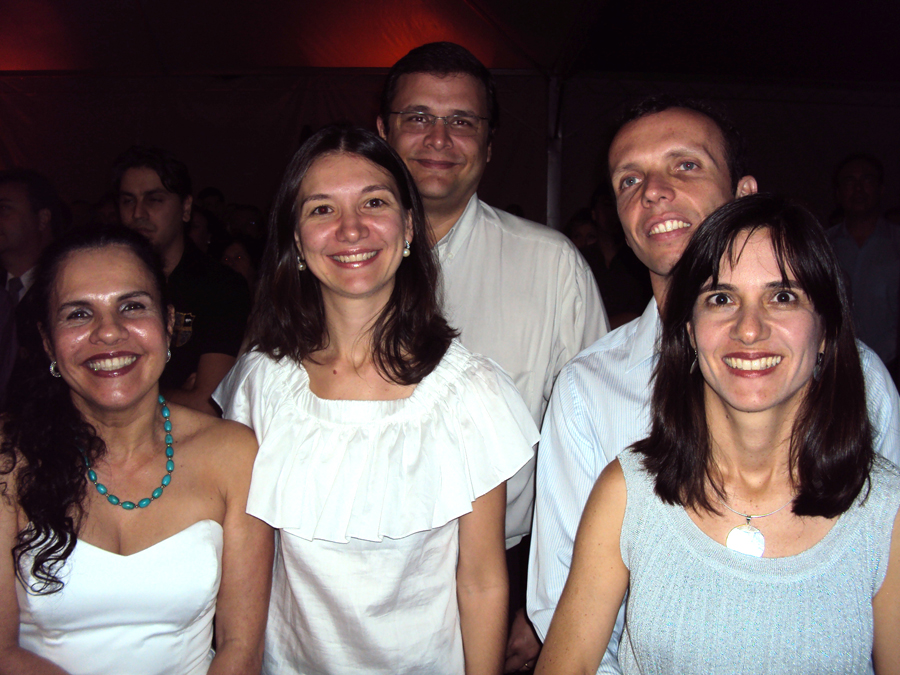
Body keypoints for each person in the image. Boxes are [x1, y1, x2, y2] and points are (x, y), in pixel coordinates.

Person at [527, 96, 900, 674]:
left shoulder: (863, 383)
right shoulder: (588, 392)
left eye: (685, 165)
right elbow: (566, 616)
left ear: (743, 193)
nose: (654, 191)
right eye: (630, 179)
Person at [213, 125, 537, 675]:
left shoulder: (468, 391)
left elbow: (481, 581)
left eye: (374, 202)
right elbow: (246, 571)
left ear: (408, 226)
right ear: (296, 240)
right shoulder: (261, 383)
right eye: (321, 209)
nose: (351, 228)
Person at [377, 41, 608, 669]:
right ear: (383, 131)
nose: (439, 139)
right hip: (344, 569)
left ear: (489, 142)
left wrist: (547, 601)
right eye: (418, 117)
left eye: (462, 121)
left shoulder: (551, 266)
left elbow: (594, 452)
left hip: (506, 571)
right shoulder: (330, 260)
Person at [0, 226, 273, 675]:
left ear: (168, 323)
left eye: (131, 307)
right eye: (78, 314)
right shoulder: (10, 458)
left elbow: (240, 648)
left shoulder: (233, 453)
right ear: (48, 342)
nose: (109, 332)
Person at [113, 146, 251, 415]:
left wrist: (118, 391)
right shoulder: (104, 283)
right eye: (128, 201)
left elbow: (207, 403)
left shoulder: (219, 287)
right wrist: (175, 395)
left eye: (154, 200)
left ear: (185, 208)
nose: (138, 213)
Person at [826, 154, 900, 372]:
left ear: (880, 188)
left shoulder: (896, 243)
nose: (858, 189)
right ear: (838, 193)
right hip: (835, 366)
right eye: (850, 181)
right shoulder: (823, 245)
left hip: (892, 367)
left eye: (866, 180)